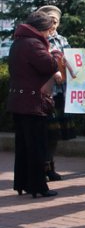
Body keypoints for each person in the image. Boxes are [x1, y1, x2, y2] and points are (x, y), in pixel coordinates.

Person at [8, 11, 64, 198]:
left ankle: (22, 183)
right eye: (49, 31)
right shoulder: (34, 44)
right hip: (34, 103)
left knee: (23, 145)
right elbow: (48, 65)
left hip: (20, 102)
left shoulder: (19, 42)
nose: (50, 34)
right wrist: (56, 53)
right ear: (42, 29)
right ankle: (38, 186)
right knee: (37, 146)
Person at [37, 5, 76, 182]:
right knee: (43, 133)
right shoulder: (38, 39)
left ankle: (50, 166)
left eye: (56, 21)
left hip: (60, 92)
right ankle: (41, 167)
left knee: (54, 134)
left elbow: (70, 58)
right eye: (50, 21)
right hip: (45, 93)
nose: (53, 24)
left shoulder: (62, 39)